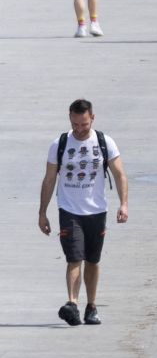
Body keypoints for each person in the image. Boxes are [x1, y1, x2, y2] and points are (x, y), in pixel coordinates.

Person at [38, 99, 128, 327]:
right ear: (70, 118)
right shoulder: (59, 144)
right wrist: (42, 212)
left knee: (93, 260)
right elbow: (49, 180)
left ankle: (92, 306)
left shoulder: (104, 142)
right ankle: (72, 304)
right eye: (75, 124)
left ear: (92, 118)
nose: (79, 129)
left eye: (84, 125)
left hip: (97, 210)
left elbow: (119, 175)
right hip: (69, 210)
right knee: (74, 258)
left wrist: (123, 204)